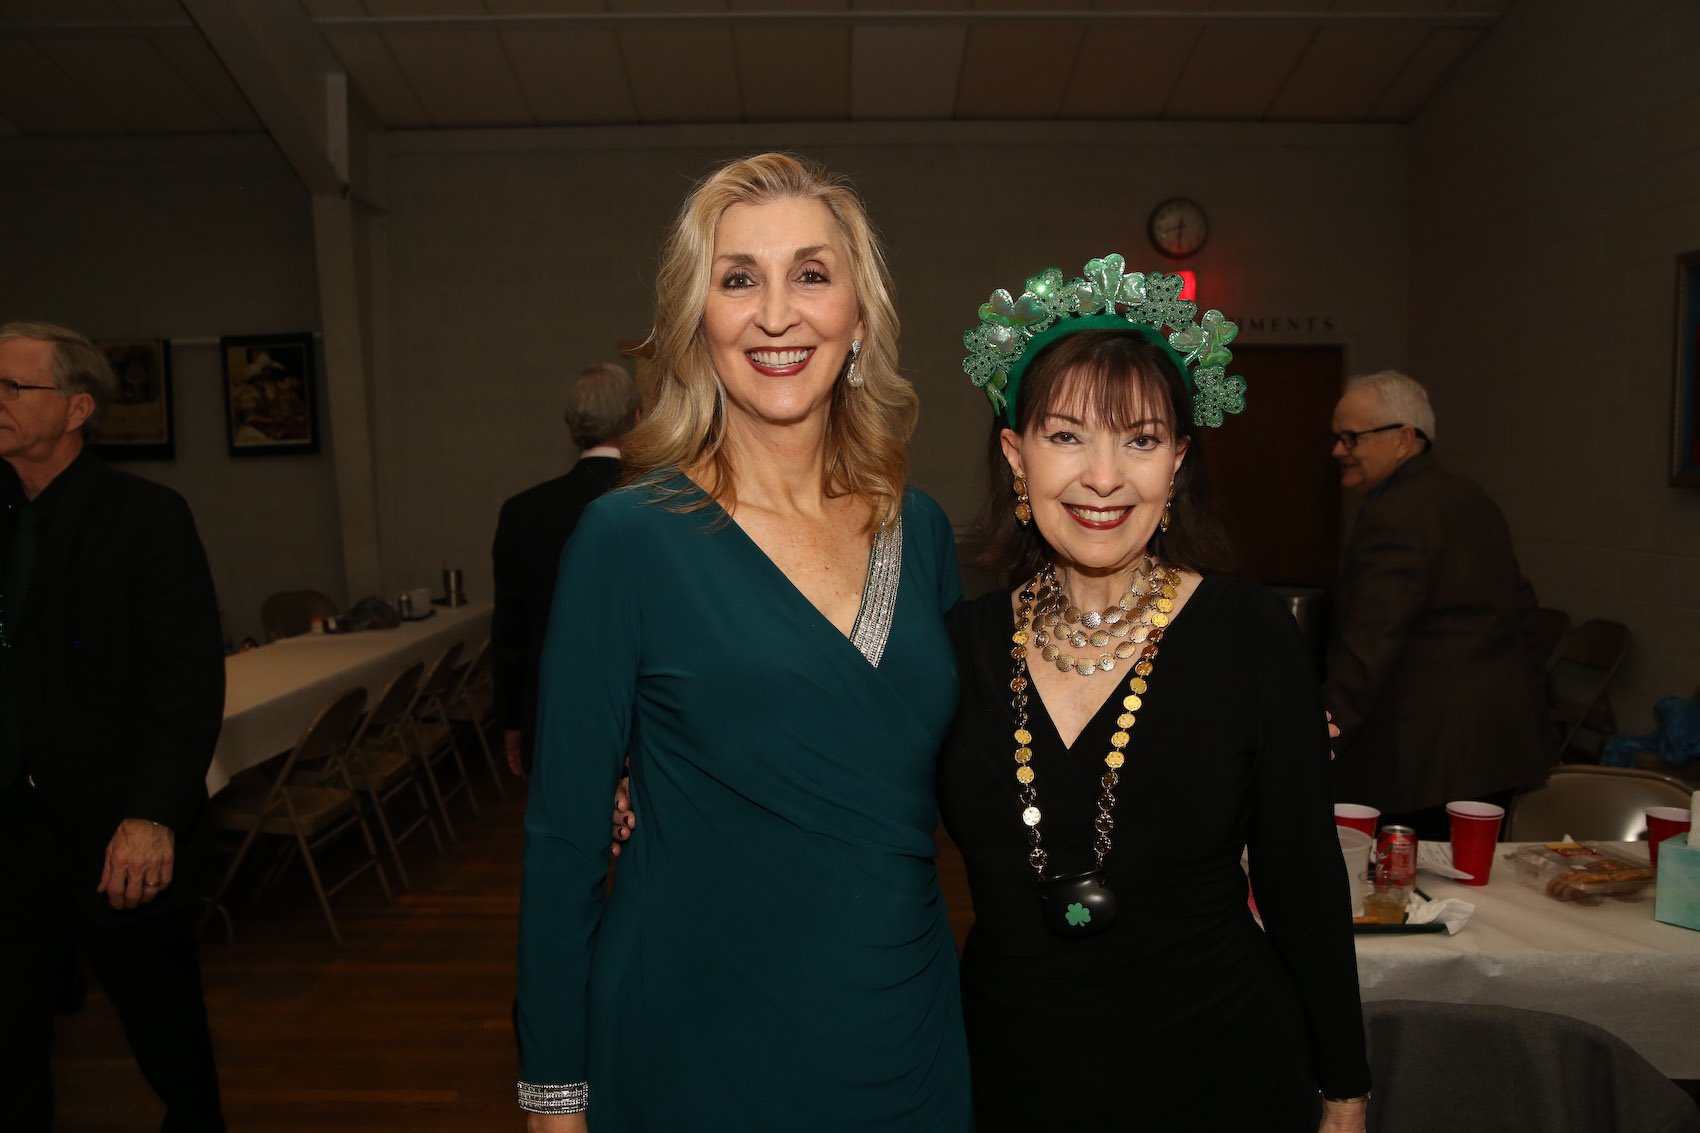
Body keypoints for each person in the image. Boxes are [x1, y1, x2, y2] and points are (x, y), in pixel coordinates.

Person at [515, 154, 972, 1131]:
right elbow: (563, 833)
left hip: (902, 1018)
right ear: (697, 323)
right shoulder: (628, 537)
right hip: (695, 1027)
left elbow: (961, 773)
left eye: (810, 273)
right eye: (737, 278)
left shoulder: (920, 529)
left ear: (858, 314)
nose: (775, 314)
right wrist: (553, 1089)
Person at [940, 256, 1370, 1131]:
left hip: (1220, 1076)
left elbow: (1303, 879)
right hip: (1009, 1080)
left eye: (1139, 440)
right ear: (1016, 455)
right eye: (1067, 436)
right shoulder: (958, 647)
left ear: (1177, 460)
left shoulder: (1249, 636)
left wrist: (1346, 1089)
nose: (1104, 477)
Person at [0, 321, 227, 1132]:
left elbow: (186, 680)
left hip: (112, 832)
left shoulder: (144, 517)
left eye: (11, 386)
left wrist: (153, 814)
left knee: (169, 1044)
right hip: (8, 831)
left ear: (77, 409)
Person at [1323, 371, 1551, 840]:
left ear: (1404, 439)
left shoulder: (1395, 515)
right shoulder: (1470, 496)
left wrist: (1323, 737)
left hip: (1425, 762)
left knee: (1415, 881)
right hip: (1497, 745)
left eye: (1351, 437)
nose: (1338, 451)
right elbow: (1523, 614)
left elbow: (1370, 646)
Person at [492, 361, 640, 779]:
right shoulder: (662, 504)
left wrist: (513, 720)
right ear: (637, 419)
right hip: (642, 719)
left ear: (571, 428)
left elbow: (511, 633)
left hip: (553, 713)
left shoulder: (523, 513)